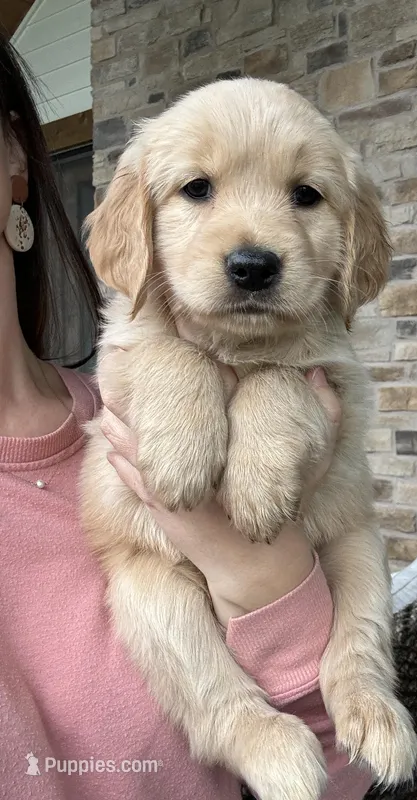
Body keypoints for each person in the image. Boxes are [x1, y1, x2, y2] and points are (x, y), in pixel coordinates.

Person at [0, 33, 374, 800]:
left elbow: (341, 779)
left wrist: (264, 573)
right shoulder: (138, 367)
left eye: (306, 195)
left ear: (12, 154)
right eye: (198, 187)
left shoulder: (98, 410)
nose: (253, 248)